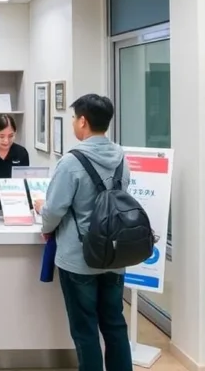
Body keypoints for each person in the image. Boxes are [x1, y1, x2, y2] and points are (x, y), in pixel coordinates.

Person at [40, 94, 132, 371]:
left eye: (73, 118)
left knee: (85, 330)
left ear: (83, 121)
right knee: (115, 325)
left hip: (79, 259)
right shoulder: (121, 158)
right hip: (115, 257)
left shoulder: (71, 162)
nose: (72, 124)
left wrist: (43, 220)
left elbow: (54, 209)